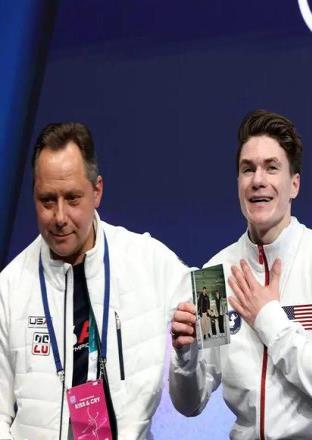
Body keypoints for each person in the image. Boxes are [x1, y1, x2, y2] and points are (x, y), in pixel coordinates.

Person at [169, 110, 312, 439]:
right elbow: (190, 404)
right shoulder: (214, 276)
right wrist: (185, 357)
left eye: (271, 167)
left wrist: (269, 318)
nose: (257, 180)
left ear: (294, 184)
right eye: (248, 169)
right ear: (238, 184)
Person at [0, 122, 191, 439]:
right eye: (47, 200)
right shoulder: (9, 288)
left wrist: (190, 353)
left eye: (73, 198)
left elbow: (211, 309)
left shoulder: (148, 262)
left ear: (97, 191)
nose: (60, 217)